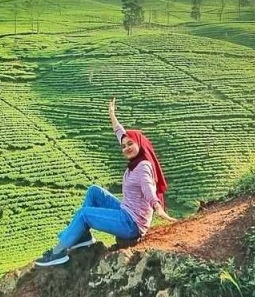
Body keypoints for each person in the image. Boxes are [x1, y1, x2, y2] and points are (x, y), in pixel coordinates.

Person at [35, 98, 177, 267]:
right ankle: (83, 237)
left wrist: (158, 208)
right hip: (127, 211)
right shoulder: (136, 161)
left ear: (139, 144)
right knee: (94, 191)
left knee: (84, 214)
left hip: (131, 224)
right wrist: (112, 116)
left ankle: (58, 252)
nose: (126, 148)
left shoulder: (143, 167)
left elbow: (148, 189)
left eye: (130, 144)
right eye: (123, 146)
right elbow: (120, 134)